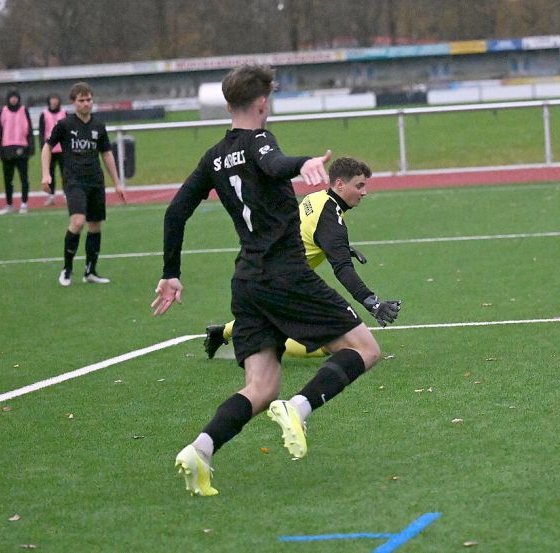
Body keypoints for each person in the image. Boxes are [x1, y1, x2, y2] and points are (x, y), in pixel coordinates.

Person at [152, 64, 395, 497]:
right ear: (263, 103)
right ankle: (299, 408)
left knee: (260, 387)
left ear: (228, 104)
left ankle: (200, 450)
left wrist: (171, 272)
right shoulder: (261, 139)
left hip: (247, 280)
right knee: (365, 348)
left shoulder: (212, 156)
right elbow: (272, 162)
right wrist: (301, 163)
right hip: (285, 274)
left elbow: (175, 212)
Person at [204, 156, 402, 360]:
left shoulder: (318, 197)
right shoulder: (331, 222)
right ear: (340, 185)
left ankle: (221, 332)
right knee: (332, 339)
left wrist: (342, 248)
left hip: (265, 268)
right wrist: (372, 303)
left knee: (267, 319)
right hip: (281, 281)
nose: (364, 192)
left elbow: (309, 231)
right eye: (359, 186)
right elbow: (343, 269)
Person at [42, 82, 126, 287]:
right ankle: (67, 269)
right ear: (73, 102)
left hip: (95, 181)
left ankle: (90, 271)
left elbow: (106, 154)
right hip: (74, 181)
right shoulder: (65, 125)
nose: (87, 103)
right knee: (78, 222)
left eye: (89, 99)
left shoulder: (98, 125)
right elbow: (47, 147)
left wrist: (117, 183)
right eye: (82, 100)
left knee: (95, 225)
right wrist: (46, 174)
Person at [0, 90, 34, 215]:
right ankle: (9, 205)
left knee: (24, 178)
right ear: (8, 99)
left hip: (22, 148)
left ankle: (24, 204)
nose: (14, 99)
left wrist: (31, 148)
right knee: (7, 179)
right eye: (11, 97)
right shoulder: (3, 111)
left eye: (16, 97)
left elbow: (30, 130)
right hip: (6, 150)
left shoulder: (23, 110)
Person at [38, 94, 67, 206]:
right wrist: (43, 146)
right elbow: (41, 132)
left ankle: (66, 195)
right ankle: (51, 195)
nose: (54, 102)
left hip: (62, 149)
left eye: (56, 99)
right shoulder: (44, 114)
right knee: (50, 174)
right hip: (50, 149)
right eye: (52, 99)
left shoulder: (64, 113)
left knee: (65, 173)